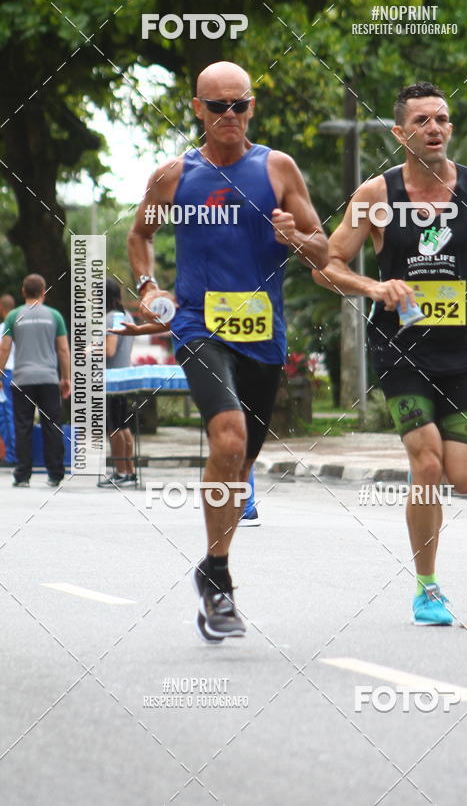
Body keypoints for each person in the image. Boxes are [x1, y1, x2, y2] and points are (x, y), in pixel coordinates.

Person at [122, 60, 328, 642]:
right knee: (229, 438)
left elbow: (324, 251)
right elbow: (140, 235)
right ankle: (219, 578)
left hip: (264, 338)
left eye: (240, 104)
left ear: (252, 107)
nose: (230, 115)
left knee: (241, 463)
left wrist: (297, 238)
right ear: (197, 109)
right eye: (218, 106)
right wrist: (149, 287)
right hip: (198, 327)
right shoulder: (173, 177)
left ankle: (214, 563)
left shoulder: (278, 169)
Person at [314, 81, 467, 626]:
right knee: (425, 463)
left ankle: (426, 502)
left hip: (460, 351)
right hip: (399, 350)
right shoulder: (376, 196)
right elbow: (327, 265)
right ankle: (427, 589)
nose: (434, 129)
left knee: (463, 478)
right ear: (401, 134)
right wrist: (374, 287)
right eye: (422, 121)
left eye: (442, 119)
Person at [0, 274, 70, 487]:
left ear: (23, 291)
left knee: (23, 426)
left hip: (22, 379)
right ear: (44, 292)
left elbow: (4, 348)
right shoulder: (54, 316)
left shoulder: (13, 316)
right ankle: (55, 474)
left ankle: (22, 475)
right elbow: (63, 349)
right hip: (48, 378)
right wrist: (66, 378)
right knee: (52, 425)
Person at [98, 278, 136, 488]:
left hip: (112, 380)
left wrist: (88, 350)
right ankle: (129, 471)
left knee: (114, 427)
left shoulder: (112, 317)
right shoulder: (126, 315)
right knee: (123, 425)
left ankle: (121, 471)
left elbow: (109, 350)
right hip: (125, 377)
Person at [0, 293, 17, 464]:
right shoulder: (21, 326)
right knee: (20, 414)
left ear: (1, 308)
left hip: (6, 373)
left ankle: (12, 454)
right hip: (22, 374)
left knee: (6, 414)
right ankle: (20, 453)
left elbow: (2, 351)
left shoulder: (3, 327)